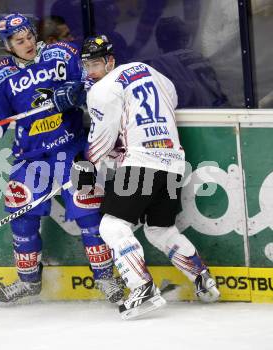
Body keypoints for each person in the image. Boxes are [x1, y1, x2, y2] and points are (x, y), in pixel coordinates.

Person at [0, 14, 124, 306]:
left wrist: (77, 92)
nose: (28, 43)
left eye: (30, 36)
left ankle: (106, 278)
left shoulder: (61, 53)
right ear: (8, 45)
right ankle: (28, 280)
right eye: (19, 41)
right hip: (30, 156)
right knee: (22, 216)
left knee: (88, 214)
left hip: (71, 149)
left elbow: (95, 83)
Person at [77, 35, 220, 319]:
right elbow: (166, 102)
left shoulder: (103, 90)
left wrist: (86, 169)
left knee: (112, 227)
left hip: (143, 163)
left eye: (95, 64)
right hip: (173, 163)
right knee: (160, 229)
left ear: (110, 61)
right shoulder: (153, 73)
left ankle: (142, 288)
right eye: (86, 65)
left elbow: (100, 143)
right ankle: (203, 281)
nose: (91, 71)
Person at [151, 16, 228, 108]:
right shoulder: (199, 56)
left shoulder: (161, 62)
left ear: (162, 39)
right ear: (185, 39)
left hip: (196, 115)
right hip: (221, 109)